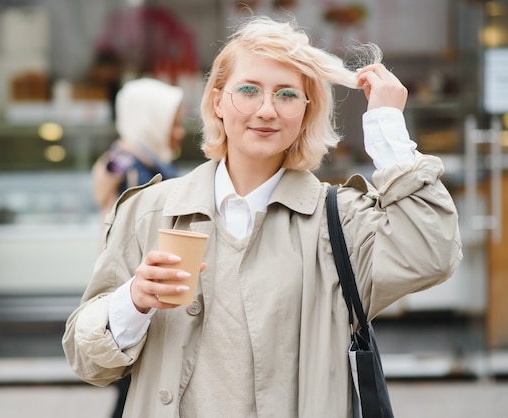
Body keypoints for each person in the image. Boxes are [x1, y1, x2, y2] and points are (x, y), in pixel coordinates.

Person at [64, 16, 462, 417]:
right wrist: (133, 302)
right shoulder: (148, 212)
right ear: (218, 100)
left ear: (307, 111)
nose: (266, 110)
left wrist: (387, 127)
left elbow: (432, 251)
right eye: (249, 90)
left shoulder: (341, 223)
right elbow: (87, 360)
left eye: (287, 95)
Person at [90, 77, 186, 418]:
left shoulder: (135, 158)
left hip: (143, 292)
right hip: (137, 295)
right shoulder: (131, 169)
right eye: (173, 123)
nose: (179, 133)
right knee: (133, 388)